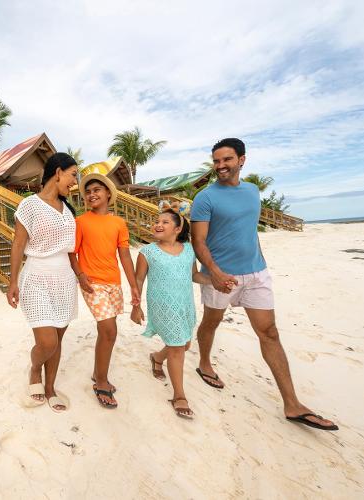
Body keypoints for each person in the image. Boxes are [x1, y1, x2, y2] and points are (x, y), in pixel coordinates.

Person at [190, 137, 338, 431]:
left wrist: (259, 258)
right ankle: (205, 362)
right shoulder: (205, 198)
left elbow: (247, 231)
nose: (220, 166)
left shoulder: (252, 191)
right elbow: (198, 241)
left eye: (227, 159)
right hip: (222, 277)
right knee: (211, 322)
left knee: (269, 332)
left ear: (241, 160)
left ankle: (292, 403)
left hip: (257, 273)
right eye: (216, 161)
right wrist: (216, 272)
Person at [7, 152, 79, 413]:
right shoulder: (29, 205)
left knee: (58, 339)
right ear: (58, 172)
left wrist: (80, 275)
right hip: (36, 277)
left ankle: (50, 388)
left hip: (64, 280)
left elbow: (71, 250)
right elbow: (18, 245)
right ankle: (35, 368)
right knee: (47, 342)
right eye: (73, 175)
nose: (75, 182)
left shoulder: (68, 210)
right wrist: (12, 281)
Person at [131, 206, 210, 418]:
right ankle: (179, 396)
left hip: (184, 304)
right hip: (162, 305)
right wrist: (135, 306)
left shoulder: (189, 250)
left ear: (177, 228)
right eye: (157, 221)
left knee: (183, 344)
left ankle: (157, 358)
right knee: (177, 347)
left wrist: (214, 280)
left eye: (165, 222)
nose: (158, 224)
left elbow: (194, 275)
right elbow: (138, 280)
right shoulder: (147, 252)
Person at [69, 174, 140, 409]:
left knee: (108, 332)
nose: (92, 195)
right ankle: (101, 380)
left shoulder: (118, 223)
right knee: (109, 330)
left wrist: (133, 285)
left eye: (97, 190)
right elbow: (73, 252)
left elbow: (125, 255)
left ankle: (97, 371)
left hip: (113, 283)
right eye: (88, 192)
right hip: (92, 283)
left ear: (108, 193)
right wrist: (81, 276)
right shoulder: (81, 221)